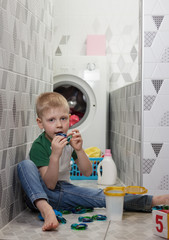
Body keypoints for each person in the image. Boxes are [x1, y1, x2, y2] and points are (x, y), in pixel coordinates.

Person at [17, 92, 169, 231]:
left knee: (101, 196)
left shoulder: (69, 141)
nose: (59, 124)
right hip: (38, 196)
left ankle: (151, 201)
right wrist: (55, 155)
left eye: (63, 118)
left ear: (69, 118)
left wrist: (79, 150)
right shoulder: (39, 145)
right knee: (24, 165)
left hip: (63, 192)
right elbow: (49, 184)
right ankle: (45, 209)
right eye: (51, 120)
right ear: (40, 123)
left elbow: (88, 172)